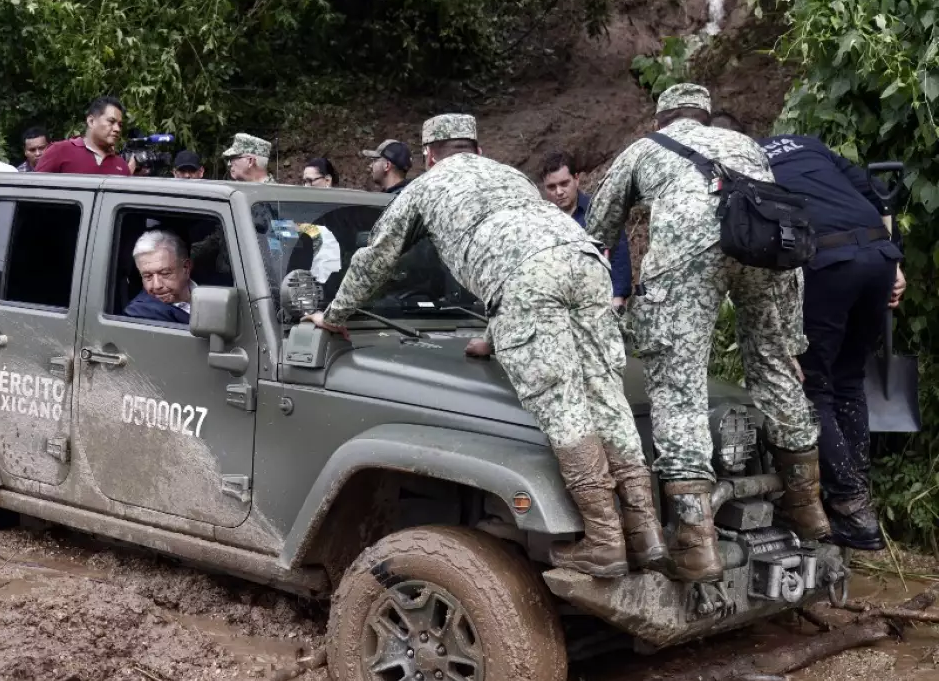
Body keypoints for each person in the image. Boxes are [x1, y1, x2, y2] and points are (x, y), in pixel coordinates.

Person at [304, 114, 667, 578]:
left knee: (561, 404)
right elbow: (525, 250)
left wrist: (333, 316)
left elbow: (377, 258)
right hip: (585, 259)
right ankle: (645, 530)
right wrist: (493, 338)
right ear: (476, 148)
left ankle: (604, 542)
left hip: (529, 281)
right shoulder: (509, 175)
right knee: (604, 392)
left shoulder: (425, 187)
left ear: (430, 155)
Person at [586, 83, 828, 582]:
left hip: (689, 255)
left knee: (679, 383)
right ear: (706, 115)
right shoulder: (745, 145)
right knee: (775, 366)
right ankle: (808, 507)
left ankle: (696, 544)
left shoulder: (645, 149)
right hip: (766, 246)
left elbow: (598, 227)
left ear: (661, 119)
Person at [742, 126, 903, 551]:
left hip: (828, 261)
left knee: (815, 385)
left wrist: (781, 331)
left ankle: (850, 506)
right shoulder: (808, 144)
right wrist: (895, 262)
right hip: (879, 253)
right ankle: (858, 497)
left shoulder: (744, 161)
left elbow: (764, 237)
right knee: (850, 378)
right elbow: (878, 192)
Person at [539, 150, 633, 309]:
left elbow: (618, 255)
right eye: (551, 187)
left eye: (564, 183)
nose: (559, 192)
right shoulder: (541, 222)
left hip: (601, 304)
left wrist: (618, 297)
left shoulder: (600, 210)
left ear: (576, 179)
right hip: (560, 308)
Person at [36, 97, 131, 176]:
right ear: (91, 121)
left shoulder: (121, 165)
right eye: (111, 121)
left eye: (120, 125)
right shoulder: (60, 151)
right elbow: (33, 190)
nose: (117, 129)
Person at [124, 231, 195, 323]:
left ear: (186, 267)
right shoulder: (140, 313)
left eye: (165, 273)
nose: (156, 285)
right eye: (148, 276)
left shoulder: (212, 284)